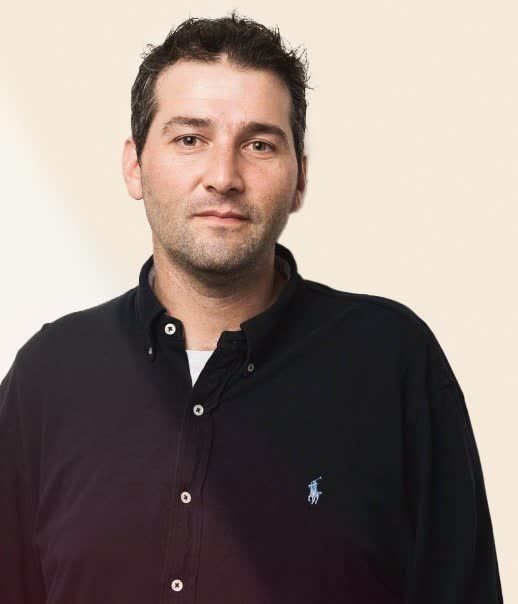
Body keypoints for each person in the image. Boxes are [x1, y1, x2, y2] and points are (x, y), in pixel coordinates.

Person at [0, 10, 504, 604]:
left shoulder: (392, 362)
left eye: (259, 144)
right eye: (190, 139)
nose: (223, 176)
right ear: (135, 166)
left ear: (300, 179)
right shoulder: (49, 375)